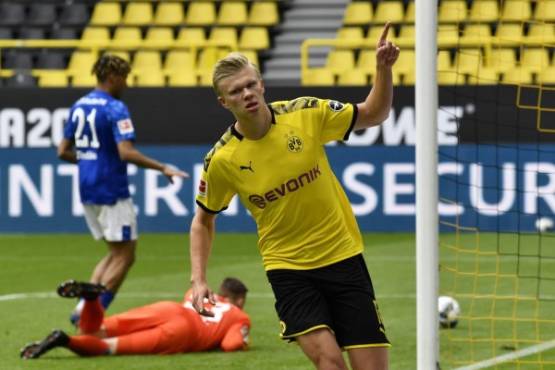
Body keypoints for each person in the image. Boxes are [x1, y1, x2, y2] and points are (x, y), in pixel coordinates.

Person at [189, 23, 399, 370]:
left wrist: (383, 70)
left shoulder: (305, 113)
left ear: (262, 84)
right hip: (289, 269)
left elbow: (374, 113)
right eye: (236, 91)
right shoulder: (222, 160)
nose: (246, 94)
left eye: (250, 84)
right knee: (329, 362)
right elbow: (202, 221)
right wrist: (198, 280)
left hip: (343, 256)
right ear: (223, 101)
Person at [57, 54, 188, 325]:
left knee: (115, 252)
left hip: (87, 186)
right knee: (126, 255)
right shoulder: (115, 108)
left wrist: (89, 162)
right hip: (111, 187)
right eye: (125, 78)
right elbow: (126, 153)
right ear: (113, 77)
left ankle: (83, 307)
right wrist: (162, 167)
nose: (126, 85)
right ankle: (92, 316)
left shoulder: (79, 105)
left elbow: (62, 151)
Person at [20, 277, 250, 359]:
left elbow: (190, 299)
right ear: (238, 300)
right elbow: (232, 345)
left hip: (168, 309)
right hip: (184, 331)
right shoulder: (239, 315)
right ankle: (64, 340)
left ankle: (91, 299)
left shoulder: (199, 293)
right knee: (106, 346)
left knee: (93, 330)